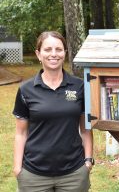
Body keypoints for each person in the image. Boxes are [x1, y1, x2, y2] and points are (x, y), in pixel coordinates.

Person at [13, 31, 93, 192]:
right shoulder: (26, 90)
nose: (53, 54)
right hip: (33, 175)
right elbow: (20, 133)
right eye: (48, 49)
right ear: (38, 54)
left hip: (74, 173)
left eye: (58, 49)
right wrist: (17, 168)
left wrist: (88, 161)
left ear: (65, 53)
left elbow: (86, 129)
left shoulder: (80, 87)